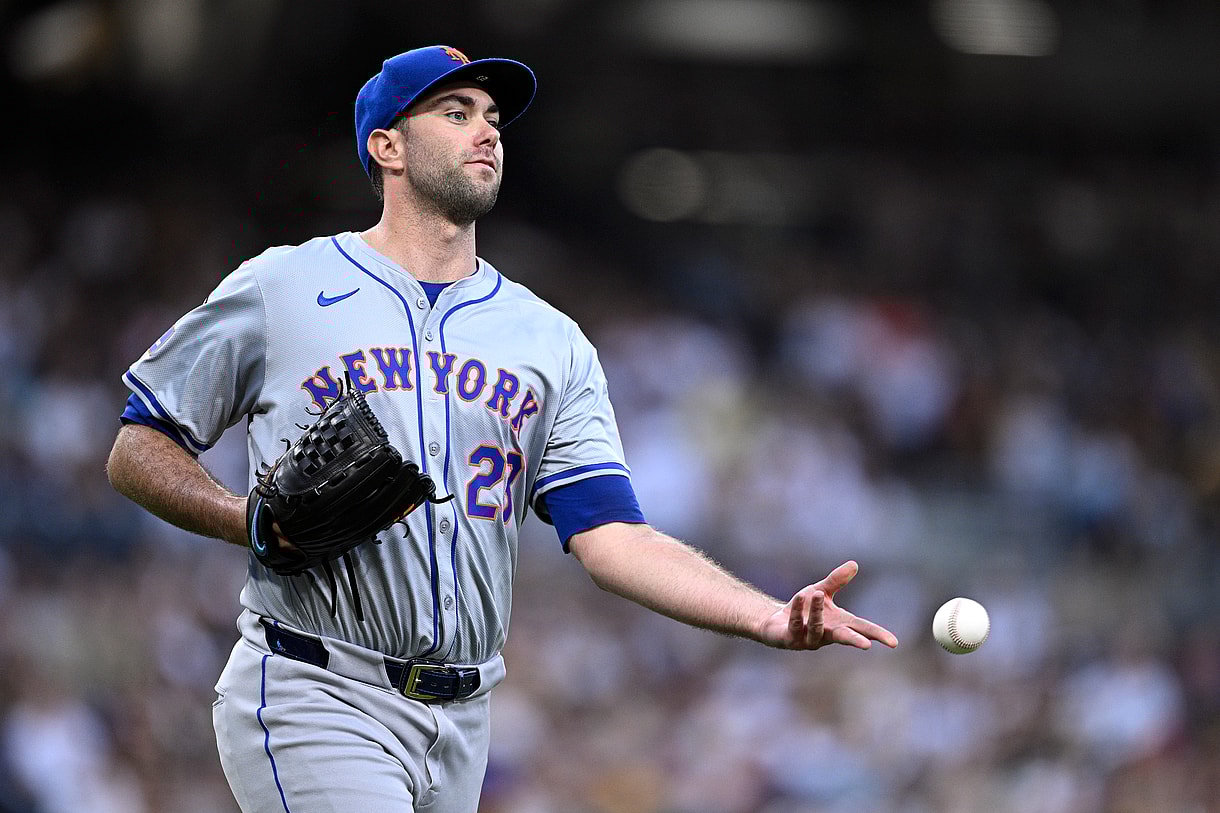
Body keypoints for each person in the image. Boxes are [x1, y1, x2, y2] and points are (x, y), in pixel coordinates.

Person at [105, 44, 899, 813]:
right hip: (317, 685)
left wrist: (760, 614)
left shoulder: (548, 339)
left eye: (492, 116)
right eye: (455, 112)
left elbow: (613, 536)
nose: (487, 130)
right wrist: (244, 518)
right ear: (388, 146)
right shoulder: (284, 286)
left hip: (464, 718)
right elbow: (138, 444)